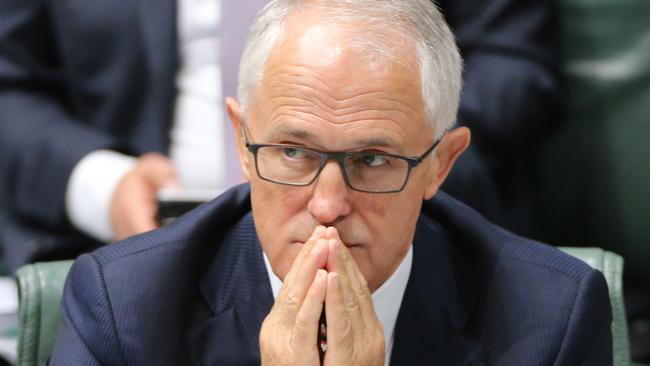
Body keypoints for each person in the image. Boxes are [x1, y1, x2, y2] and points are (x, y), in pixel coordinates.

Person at [49, 1, 610, 364]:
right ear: (242, 143)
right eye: (293, 152)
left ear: (440, 164)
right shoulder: (124, 306)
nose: (327, 204)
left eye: (372, 160)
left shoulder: (549, 318)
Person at [0, 0, 560, 272]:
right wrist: (103, 183)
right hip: (125, 235)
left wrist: (383, 153)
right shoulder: (108, 298)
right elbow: (10, 85)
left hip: (406, 235)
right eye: (289, 150)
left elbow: (515, 67)